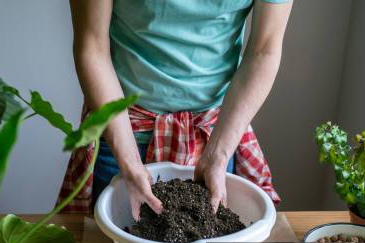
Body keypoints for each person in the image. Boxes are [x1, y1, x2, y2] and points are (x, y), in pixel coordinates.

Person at [59, 0, 292, 218]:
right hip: (123, 131)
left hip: (215, 134)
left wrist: (216, 157)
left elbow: (264, 50)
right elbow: (93, 47)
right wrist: (129, 161)